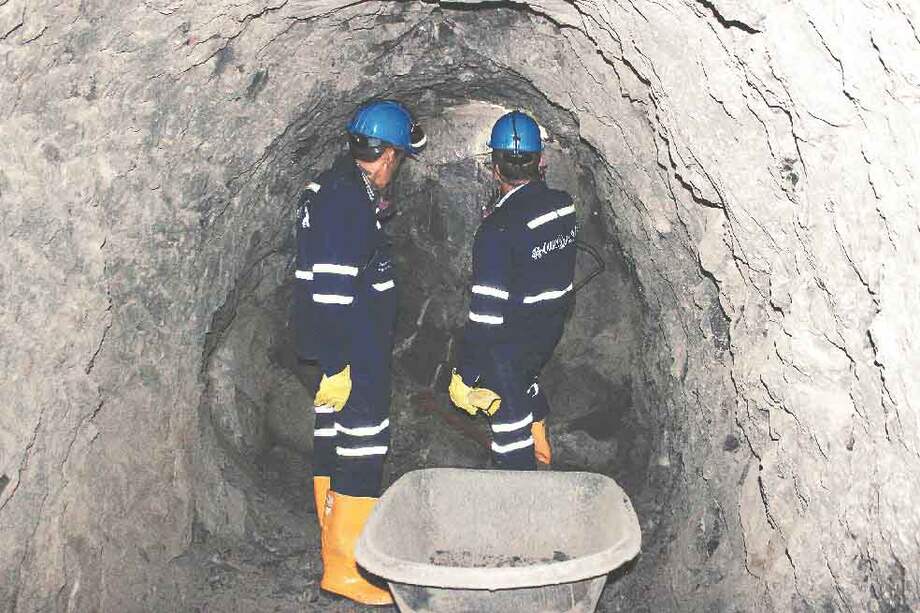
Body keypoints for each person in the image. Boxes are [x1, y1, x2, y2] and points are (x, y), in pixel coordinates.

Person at [292, 99, 425, 605]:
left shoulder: (331, 187)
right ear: (388, 155)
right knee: (362, 448)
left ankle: (332, 543)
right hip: (350, 353)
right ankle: (347, 569)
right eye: (400, 158)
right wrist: (338, 365)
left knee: (333, 440)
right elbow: (330, 289)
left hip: (334, 350)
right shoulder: (347, 201)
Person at [448, 110, 576, 471]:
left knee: (508, 421)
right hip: (549, 327)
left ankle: (521, 488)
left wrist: (467, 371)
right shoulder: (564, 206)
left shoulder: (496, 232)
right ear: (541, 162)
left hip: (510, 342)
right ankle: (542, 454)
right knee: (525, 383)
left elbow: (485, 315)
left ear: (495, 167)